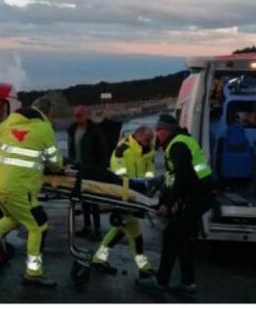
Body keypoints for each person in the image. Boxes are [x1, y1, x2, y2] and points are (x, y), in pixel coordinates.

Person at [0, 95, 63, 287]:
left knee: (14, 218)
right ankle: (34, 273)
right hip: (18, 187)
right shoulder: (44, 128)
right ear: (49, 113)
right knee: (38, 226)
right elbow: (56, 163)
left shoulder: (9, 122)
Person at [135, 114, 214, 295]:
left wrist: (167, 205)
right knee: (182, 240)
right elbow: (176, 178)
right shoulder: (182, 141)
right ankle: (188, 283)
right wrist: (166, 198)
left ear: (166, 131)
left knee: (172, 238)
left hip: (194, 197)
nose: (156, 134)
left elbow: (182, 178)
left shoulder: (176, 145)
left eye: (158, 130)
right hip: (199, 196)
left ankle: (161, 282)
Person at [91, 125, 157, 277]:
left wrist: (146, 187)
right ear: (138, 135)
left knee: (120, 230)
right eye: (147, 139)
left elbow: (150, 171)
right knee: (134, 233)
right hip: (124, 196)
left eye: (151, 140)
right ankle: (143, 267)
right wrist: (137, 185)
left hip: (137, 197)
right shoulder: (122, 150)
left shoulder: (148, 151)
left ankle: (99, 259)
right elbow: (119, 177)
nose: (149, 142)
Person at [67, 105, 108, 240]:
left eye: (80, 115)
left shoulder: (95, 131)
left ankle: (97, 229)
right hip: (79, 169)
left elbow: (102, 150)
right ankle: (87, 226)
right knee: (83, 199)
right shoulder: (72, 130)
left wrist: (102, 168)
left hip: (93, 169)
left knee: (94, 199)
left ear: (86, 115)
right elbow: (71, 149)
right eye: (76, 116)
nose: (78, 118)